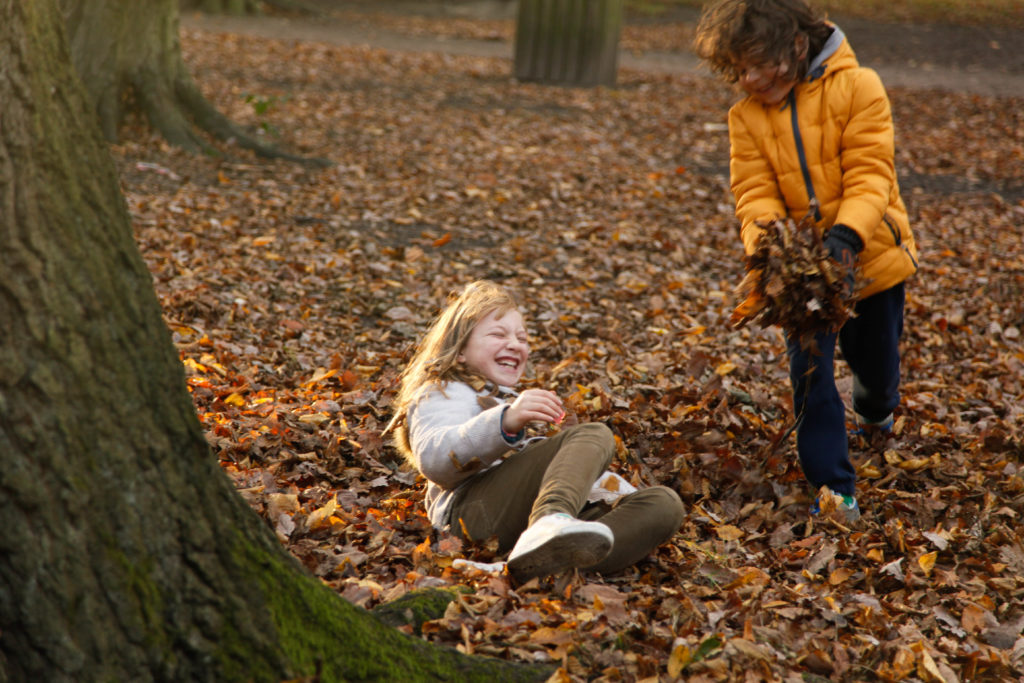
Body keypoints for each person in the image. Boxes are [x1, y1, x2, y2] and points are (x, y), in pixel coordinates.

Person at [693, 0, 919, 521]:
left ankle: (876, 410)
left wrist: (846, 235)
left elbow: (871, 174)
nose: (749, 78)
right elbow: (754, 193)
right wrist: (770, 251)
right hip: (801, 278)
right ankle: (833, 486)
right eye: (738, 68)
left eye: (758, 63)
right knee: (810, 373)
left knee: (877, 365)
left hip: (871, 257)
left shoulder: (860, 87)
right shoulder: (745, 117)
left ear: (795, 46)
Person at [387, 280, 684, 583]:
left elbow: (552, 473)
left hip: (520, 519)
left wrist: (613, 494)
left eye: (522, 338)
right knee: (594, 434)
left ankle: (527, 567)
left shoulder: (514, 402)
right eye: (498, 334)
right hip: (471, 514)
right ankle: (548, 523)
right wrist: (505, 422)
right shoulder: (442, 391)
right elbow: (437, 461)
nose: (515, 344)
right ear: (460, 350)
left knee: (663, 504)